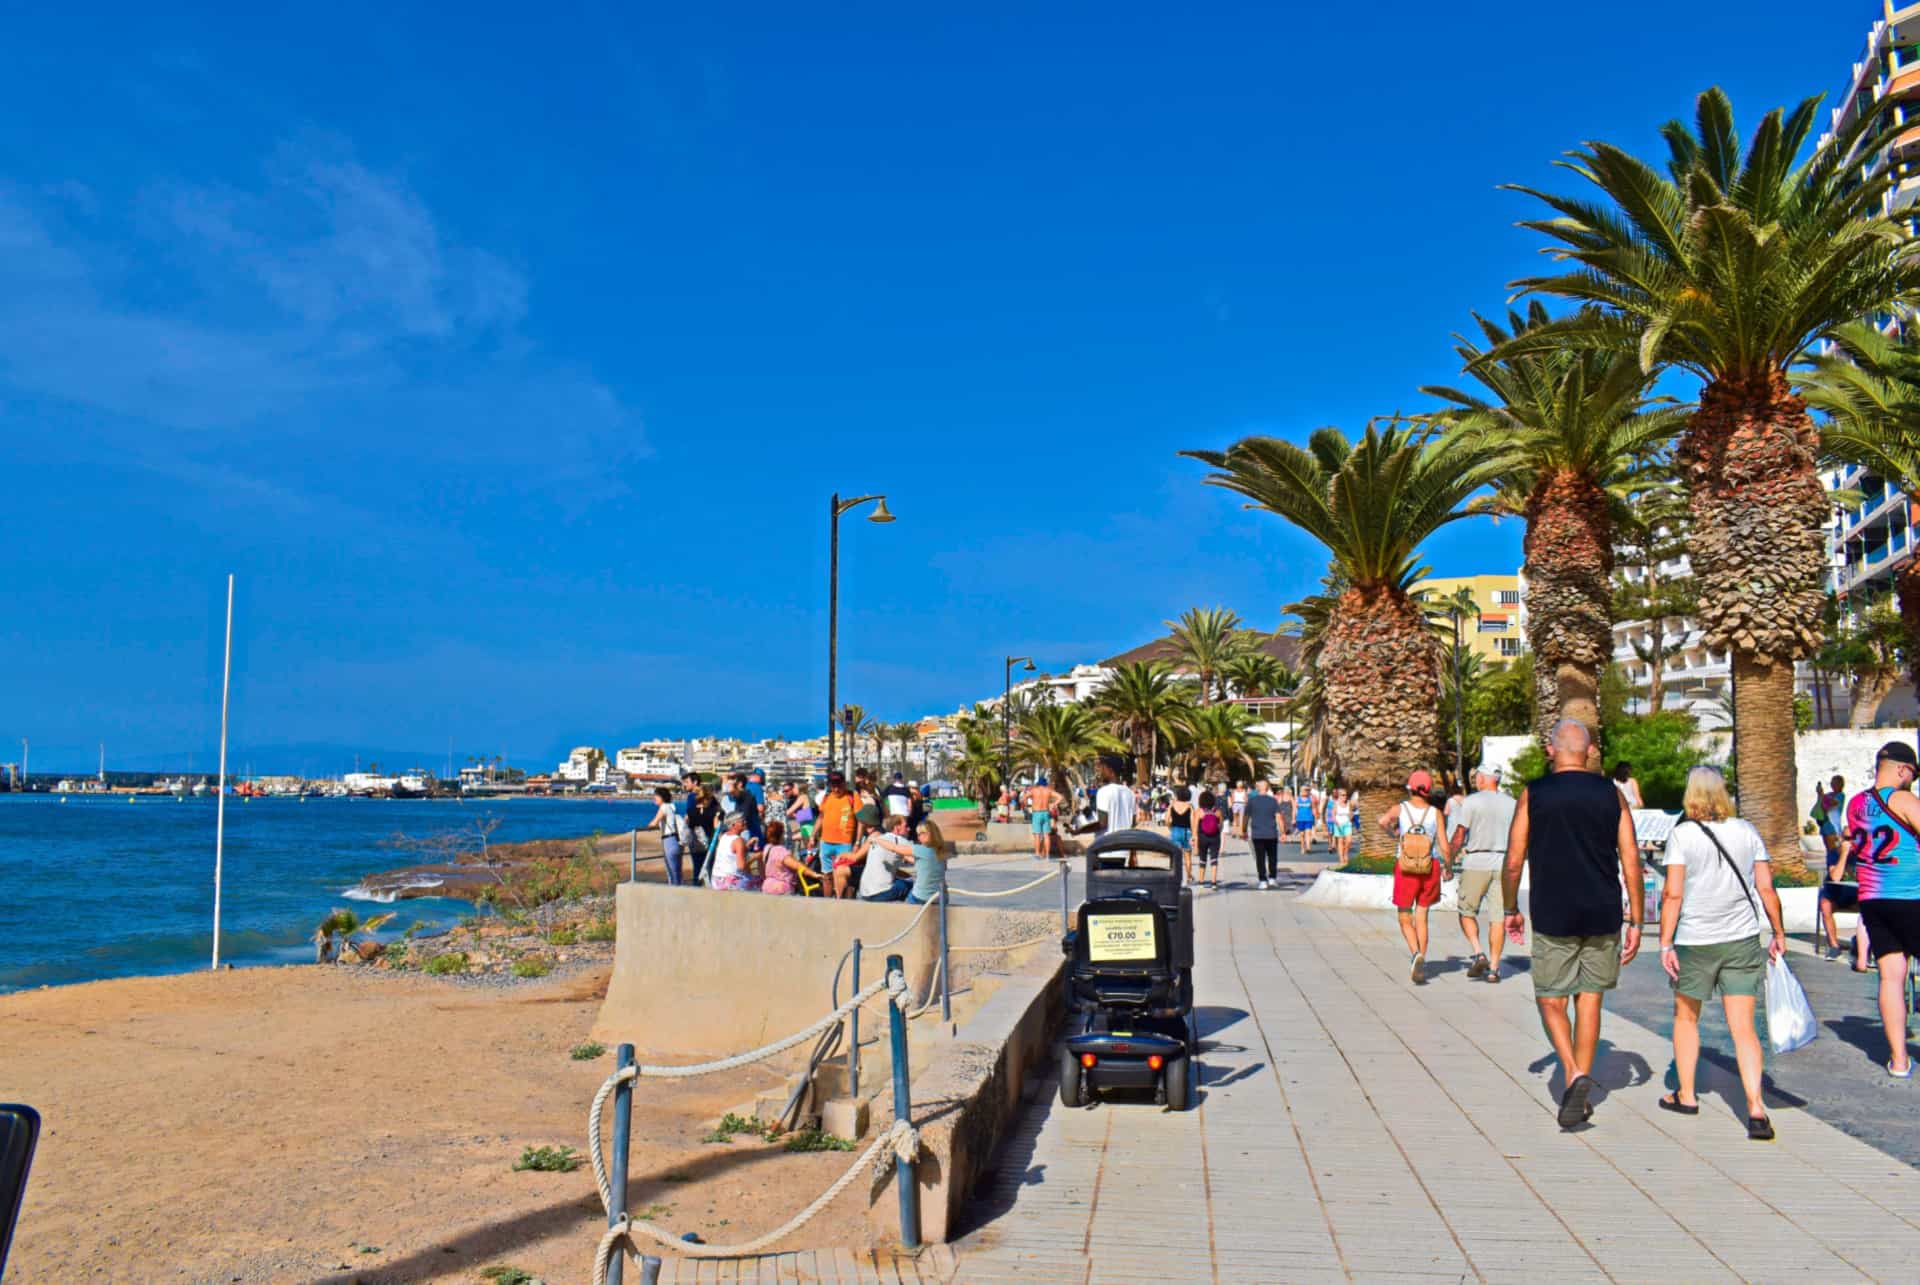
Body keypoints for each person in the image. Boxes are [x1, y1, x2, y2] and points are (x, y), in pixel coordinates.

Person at [1502, 719, 1643, 1129]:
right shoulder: (1611, 794)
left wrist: (1511, 906)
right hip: (1603, 910)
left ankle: (1573, 1073)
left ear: (1551, 749)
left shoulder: (1535, 794)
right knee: (1590, 1000)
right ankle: (1579, 1088)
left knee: (1550, 998)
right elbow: (1630, 858)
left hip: (1552, 911)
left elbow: (1513, 860)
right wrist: (1635, 916)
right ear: (1589, 751)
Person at [1656, 766, 1787, 1138]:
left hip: (1696, 939)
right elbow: (1766, 888)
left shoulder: (1681, 835)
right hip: (1742, 938)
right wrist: (1777, 931)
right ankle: (1756, 1108)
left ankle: (1686, 1094)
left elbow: (1673, 894)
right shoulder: (1747, 832)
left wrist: (1666, 942)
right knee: (1743, 1027)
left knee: (1686, 1017)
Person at [1845, 741, 1920, 1077]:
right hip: (1911, 897)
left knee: (1891, 978)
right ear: (1902, 769)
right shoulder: (1902, 799)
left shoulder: (1856, 803)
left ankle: (1899, 1060)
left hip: (1874, 900)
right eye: (1912, 775)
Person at [1381, 771, 1450, 983]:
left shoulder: (1400, 809)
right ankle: (1422, 958)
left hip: (1406, 866)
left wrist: (1394, 834)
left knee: (1404, 915)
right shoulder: (1435, 812)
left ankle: (1415, 954)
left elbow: (1383, 821)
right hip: (1430, 866)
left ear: (1410, 788)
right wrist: (1449, 866)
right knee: (1422, 915)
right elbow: (1444, 845)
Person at [1449, 766, 1517, 982]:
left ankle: (1478, 952)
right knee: (1498, 917)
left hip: (1476, 861)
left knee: (1466, 910)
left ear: (1483, 778)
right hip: (1503, 863)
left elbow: (1460, 834)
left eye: (1477, 776)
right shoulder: (1512, 803)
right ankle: (1494, 968)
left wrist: (1448, 862)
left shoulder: (1472, 801)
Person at [1813, 774, 1853, 960]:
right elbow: (1834, 875)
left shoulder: (1839, 797)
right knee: (1825, 903)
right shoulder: (1835, 852)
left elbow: (1829, 805)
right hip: (1839, 889)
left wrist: (1822, 796)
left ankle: (1864, 946)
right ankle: (1833, 945)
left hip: (1858, 892)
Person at [855, 814, 917, 902]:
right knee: (911, 884)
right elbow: (923, 854)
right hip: (880, 894)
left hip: (864, 893)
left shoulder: (880, 839)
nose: (909, 829)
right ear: (897, 828)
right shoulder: (899, 840)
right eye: (906, 826)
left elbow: (907, 859)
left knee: (900, 880)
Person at [816, 772, 859, 876]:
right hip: (825, 842)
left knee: (843, 874)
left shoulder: (852, 796)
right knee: (826, 875)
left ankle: (840, 893)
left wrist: (857, 842)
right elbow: (820, 817)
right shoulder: (826, 797)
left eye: (839, 786)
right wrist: (812, 836)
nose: (836, 789)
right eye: (833, 786)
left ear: (844, 784)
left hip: (844, 843)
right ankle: (829, 893)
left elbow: (861, 821)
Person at [1246, 779, 1282, 889]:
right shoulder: (1273, 801)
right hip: (1271, 833)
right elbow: (1278, 817)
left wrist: (1242, 830)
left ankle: (1262, 880)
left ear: (1258, 788)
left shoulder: (1252, 801)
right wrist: (1283, 832)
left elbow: (1246, 816)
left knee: (1260, 858)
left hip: (1257, 834)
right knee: (1272, 857)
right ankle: (1272, 878)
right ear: (1268, 788)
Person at [708, 813, 760, 891]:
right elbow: (741, 866)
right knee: (760, 883)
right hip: (730, 882)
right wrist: (755, 857)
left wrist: (747, 845)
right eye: (741, 821)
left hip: (716, 880)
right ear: (733, 825)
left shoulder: (723, 836)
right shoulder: (738, 840)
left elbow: (731, 851)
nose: (745, 822)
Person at [652, 785, 688, 886]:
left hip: (669, 840)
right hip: (677, 840)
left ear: (661, 797)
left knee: (672, 871)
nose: (654, 798)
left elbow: (654, 823)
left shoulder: (664, 807)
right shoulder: (672, 807)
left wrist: (645, 827)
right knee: (677, 871)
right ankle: (680, 890)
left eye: (656, 796)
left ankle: (674, 892)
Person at [907, 819, 950, 905]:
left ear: (930, 833)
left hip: (921, 898)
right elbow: (928, 863)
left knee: (907, 890)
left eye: (922, 833)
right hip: (941, 899)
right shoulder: (941, 851)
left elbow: (894, 847)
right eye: (918, 834)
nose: (919, 837)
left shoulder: (921, 849)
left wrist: (878, 840)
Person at [760, 821, 808, 896]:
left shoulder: (767, 848)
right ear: (781, 835)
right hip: (782, 888)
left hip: (767, 885)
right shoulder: (782, 852)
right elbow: (798, 866)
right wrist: (815, 874)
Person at [1094, 756, 1137, 836]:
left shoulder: (1103, 792)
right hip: (1125, 845)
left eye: (1103, 768)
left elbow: (1102, 824)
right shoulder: (1130, 793)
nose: (1101, 771)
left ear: (1110, 769)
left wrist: (1080, 830)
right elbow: (1133, 823)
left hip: (1108, 845)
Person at [1023, 777, 1059, 859]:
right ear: (1045, 783)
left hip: (1037, 813)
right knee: (1046, 835)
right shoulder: (1048, 790)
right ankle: (1047, 855)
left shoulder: (1034, 790)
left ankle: (1037, 854)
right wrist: (1053, 804)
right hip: (1046, 812)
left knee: (1037, 835)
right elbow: (1060, 797)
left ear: (1038, 783)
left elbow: (1024, 797)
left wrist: (1027, 805)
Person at [1195, 789, 1224, 889]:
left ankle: (1201, 881)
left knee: (1202, 859)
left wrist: (1195, 839)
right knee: (1214, 859)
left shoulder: (1199, 811)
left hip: (1202, 837)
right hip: (1215, 837)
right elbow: (1221, 825)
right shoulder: (1218, 811)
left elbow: (1195, 827)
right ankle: (1214, 882)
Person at [1168, 786, 1196, 882]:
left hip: (1175, 831)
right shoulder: (1190, 806)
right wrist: (1194, 834)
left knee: (1175, 855)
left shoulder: (1172, 805)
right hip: (1186, 832)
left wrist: (1170, 828)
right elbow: (1193, 822)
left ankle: (1174, 876)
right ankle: (1188, 877)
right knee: (1187, 856)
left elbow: (1167, 820)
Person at [1326, 787, 1355, 864]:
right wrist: (1336, 823)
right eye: (1343, 795)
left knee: (1349, 841)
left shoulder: (1349, 803)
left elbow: (1352, 812)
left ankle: (1345, 853)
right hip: (1338, 824)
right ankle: (1341, 858)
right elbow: (1333, 815)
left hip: (1347, 824)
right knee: (1340, 841)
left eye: (1346, 795)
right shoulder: (1336, 804)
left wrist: (1351, 817)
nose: (1345, 797)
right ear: (1339, 795)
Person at [1294, 786, 1317, 857]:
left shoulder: (1311, 799)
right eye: (1304, 790)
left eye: (1307, 790)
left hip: (1309, 818)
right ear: (1301, 791)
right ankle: (1302, 847)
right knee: (1302, 834)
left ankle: (1308, 847)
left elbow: (1313, 808)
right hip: (1300, 819)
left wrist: (1316, 817)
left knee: (1308, 833)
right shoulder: (1298, 799)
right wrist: (1293, 818)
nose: (1306, 791)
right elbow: (1295, 809)